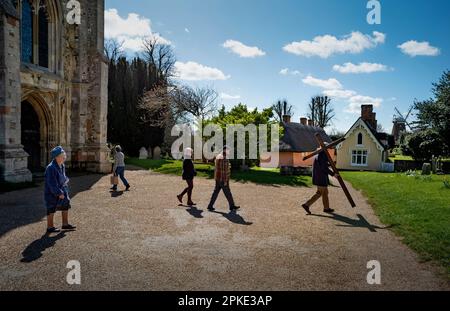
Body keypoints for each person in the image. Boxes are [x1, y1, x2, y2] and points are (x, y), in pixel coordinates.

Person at [44, 146, 76, 233]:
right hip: (52, 192)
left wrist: (66, 180)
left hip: (63, 189)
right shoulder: (50, 168)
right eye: (63, 156)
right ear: (57, 157)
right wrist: (58, 193)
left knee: (65, 204)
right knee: (51, 207)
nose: (64, 157)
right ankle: (50, 227)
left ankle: (65, 224)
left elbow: (63, 176)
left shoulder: (61, 165)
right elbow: (51, 183)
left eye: (64, 155)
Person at [302, 150, 338, 214]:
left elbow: (323, 164)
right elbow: (324, 167)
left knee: (325, 192)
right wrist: (333, 174)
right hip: (321, 178)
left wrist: (330, 163)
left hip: (319, 177)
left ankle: (326, 208)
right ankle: (306, 205)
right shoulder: (322, 154)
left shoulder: (319, 154)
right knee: (320, 192)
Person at [207, 146, 240, 212]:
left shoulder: (218, 156)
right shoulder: (224, 158)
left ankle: (210, 206)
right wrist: (225, 181)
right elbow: (223, 171)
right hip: (222, 179)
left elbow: (217, 168)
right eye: (228, 150)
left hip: (218, 178)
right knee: (227, 192)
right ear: (225, 150)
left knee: (216, 192)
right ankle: (232, 206)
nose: (229, 152)